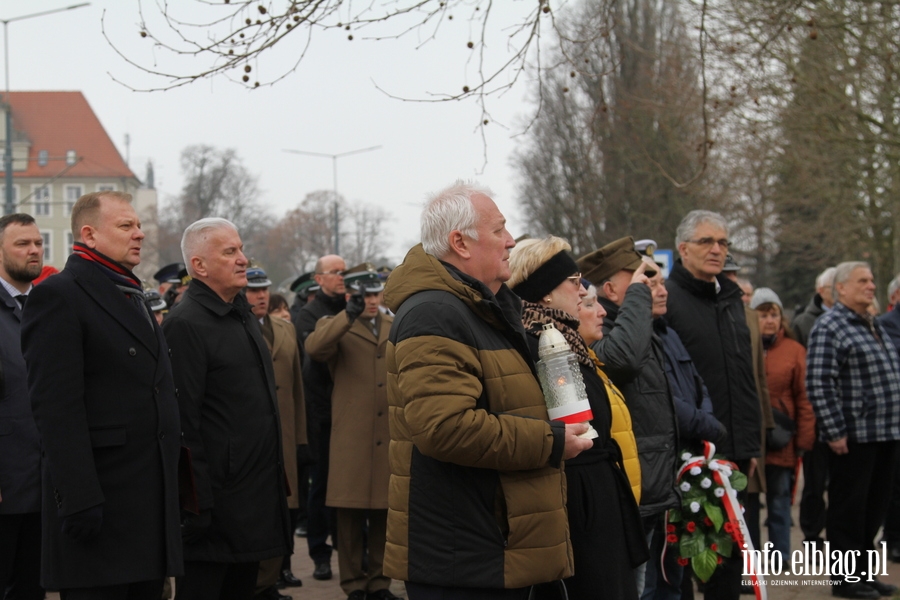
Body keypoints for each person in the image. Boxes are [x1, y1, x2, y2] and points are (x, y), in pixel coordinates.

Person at [383, 181, 592, 599]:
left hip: (494, 549)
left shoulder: (481, 307)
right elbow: (444, 428)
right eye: (499, 230)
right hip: (467, 557)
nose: (511, 241)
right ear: (460, 242)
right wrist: (551, 441)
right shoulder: (434, 313)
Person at [21, 191, 183, 600]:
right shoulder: (59, 295)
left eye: (139, 225)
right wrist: (78, 500)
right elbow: (56, 408)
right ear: (89, 235)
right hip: (101, 507)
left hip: (145, 505)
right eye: (126, 226)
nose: (140, 234)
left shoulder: (129, 291)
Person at [508, 235, 648, 599]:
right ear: (545, 293)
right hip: (578, 496)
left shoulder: (563, 337)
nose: (582, 288)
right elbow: (572, 422)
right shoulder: (542, 340)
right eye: (573, 281)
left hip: (596, 490)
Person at [162, 218, 291, 600]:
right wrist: (196, 505)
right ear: (199, 266)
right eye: (230, 252)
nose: (243, 260)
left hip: (250, 499)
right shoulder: (186, 325)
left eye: (241, 249)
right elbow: (183, 423)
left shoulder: (239, 314)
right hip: (214, 511)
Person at [663, 210, 761, 600]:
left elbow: (746, 379)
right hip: (690, 452)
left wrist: (750, 445)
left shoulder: (732, 300)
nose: (717, 249)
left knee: (732, 559)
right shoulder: (667, 300)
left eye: (723, 243)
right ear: (683, 248)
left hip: (735, 453)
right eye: (707, 242)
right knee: (688, 558)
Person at [576, 237, 678, 597]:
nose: (651, 285)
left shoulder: (639, 325)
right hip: (629, 489)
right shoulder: (595, 330)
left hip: (652, 482)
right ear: (610, 289)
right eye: (640, 278)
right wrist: (638, 295)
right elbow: (623, 359)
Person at [806, 261, 900, 598]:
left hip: (886, 432)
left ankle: (863, 573)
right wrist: (834, 432)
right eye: (863, 281)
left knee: (873, 509)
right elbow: (818, 382)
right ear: (841, 288)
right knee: (849, 510)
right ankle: (845, 580)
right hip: (853, 437)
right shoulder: (830, 326)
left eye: (873, 280)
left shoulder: (871, 323)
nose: (872, 286)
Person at [305, 267, 399, 600]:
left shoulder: (393, 326)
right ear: (352, 296)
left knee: (383, 513)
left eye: (376, 295)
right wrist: (349, 314)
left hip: (386, 432)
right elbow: (315, 349)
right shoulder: (336, 326)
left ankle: (379, 583)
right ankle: (353, 584)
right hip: (351, 436)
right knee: (348, 516)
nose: (372, 302)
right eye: (365, 296)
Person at [243, 267, 307, 597]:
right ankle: (253, 583)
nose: (261, 295)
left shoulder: (284, 329)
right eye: (254, 290)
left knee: (284, 510)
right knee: (256, 512)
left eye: (264, 289)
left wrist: (300, 439)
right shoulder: (237, 328)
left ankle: (271, 580)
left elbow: (295, 386)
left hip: (284, 436)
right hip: (252, 440)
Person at [749, 288, 816, 563]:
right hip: (753, 438)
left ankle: (780, 555)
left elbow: (804, 397)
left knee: (779, 499)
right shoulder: (745, 346)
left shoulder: (794, 350)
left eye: (773, 314)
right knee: (750, 502)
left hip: (782, 437)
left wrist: (804, 439)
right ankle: (750, 555)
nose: (769, 320)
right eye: (763, 315)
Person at [293, 254, 347, 581]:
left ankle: (350, 550)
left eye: (344, 271)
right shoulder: (308, 314)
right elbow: (315, 357)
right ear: (319, 279)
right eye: (335, 272)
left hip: (348, 413)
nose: (341, 277)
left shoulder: (350, 309)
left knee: (347, 487)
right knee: (321, 486)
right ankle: (319, 553)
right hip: (321, 412)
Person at [0, 214, 44, 600]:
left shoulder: (44, 308)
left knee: (32, 588)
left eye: (37, 243)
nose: (33, 250)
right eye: (21, 244)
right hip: (6, 483)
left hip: (42, 485)